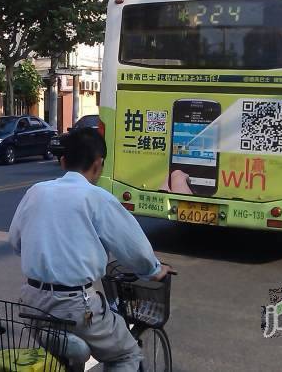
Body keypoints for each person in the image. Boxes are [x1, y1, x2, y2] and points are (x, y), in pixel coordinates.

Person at [9, 127, 170, 371]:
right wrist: (154, 270)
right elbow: (135, 250)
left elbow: (16, 242)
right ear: (98, 164)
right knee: (126, 354)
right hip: (74, 307)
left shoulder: (36, 192)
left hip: (32, 306)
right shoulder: (96, 198)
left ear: (63, 161)